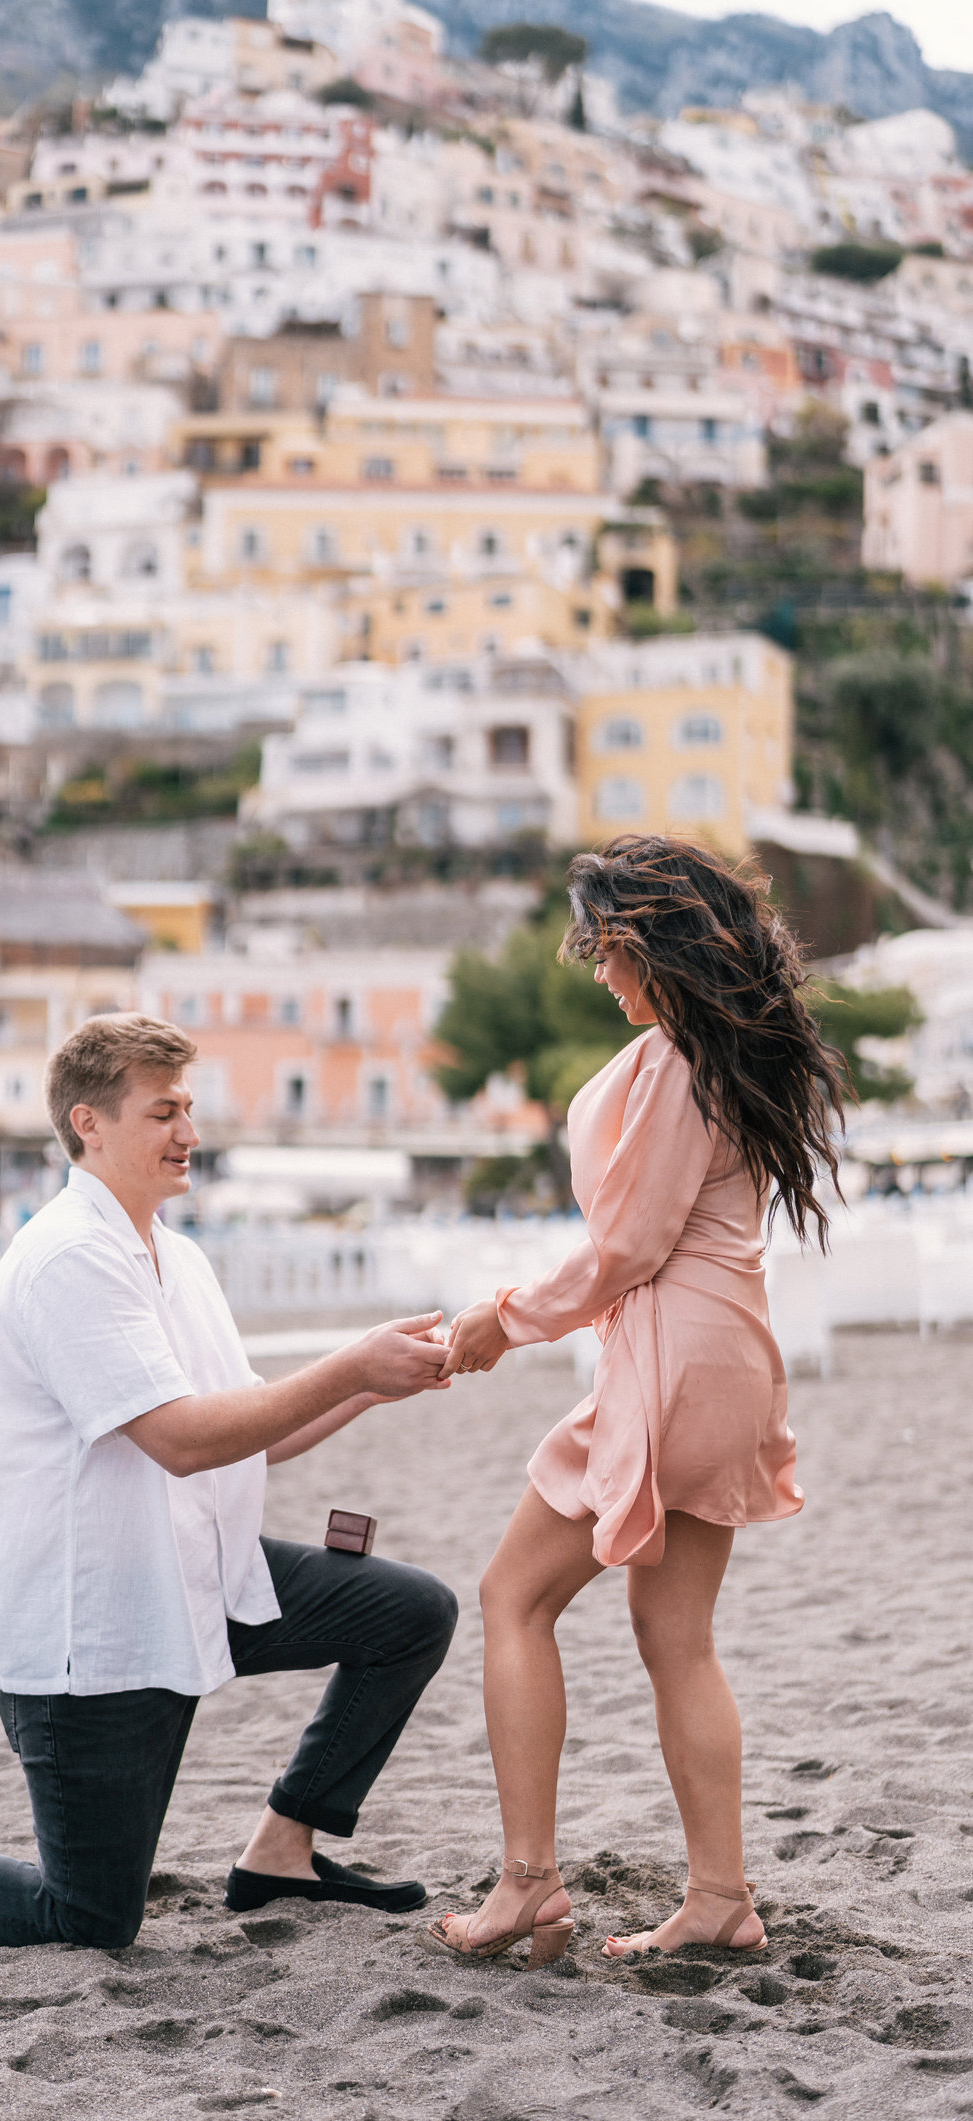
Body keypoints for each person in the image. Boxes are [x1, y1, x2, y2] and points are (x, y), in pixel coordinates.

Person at [0, 1013, 458, 1951]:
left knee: (410, 1613)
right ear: (89, 1122)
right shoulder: (67, 1256)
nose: (189, 1132)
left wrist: (377, 1382)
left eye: (188, 1108)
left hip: (196, 1575)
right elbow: (181, 1440)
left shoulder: (176, 1254)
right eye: (163, 1112)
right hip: (91, 1630)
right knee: (87, 1917)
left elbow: (250, 1427)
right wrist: (350, 1364)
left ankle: (285, 1846)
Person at [427, 836, 844, 1968]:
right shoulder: (729, 1053)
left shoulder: (679, 1062)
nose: (602, 974)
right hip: (729, 1352)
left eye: (609, 952)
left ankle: (528, 1883)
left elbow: (626, 1249)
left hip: (671, 1355)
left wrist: (502, 1318)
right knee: (677, 1636)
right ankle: (718, 1896)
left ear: (655, 945)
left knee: (513, 1595)